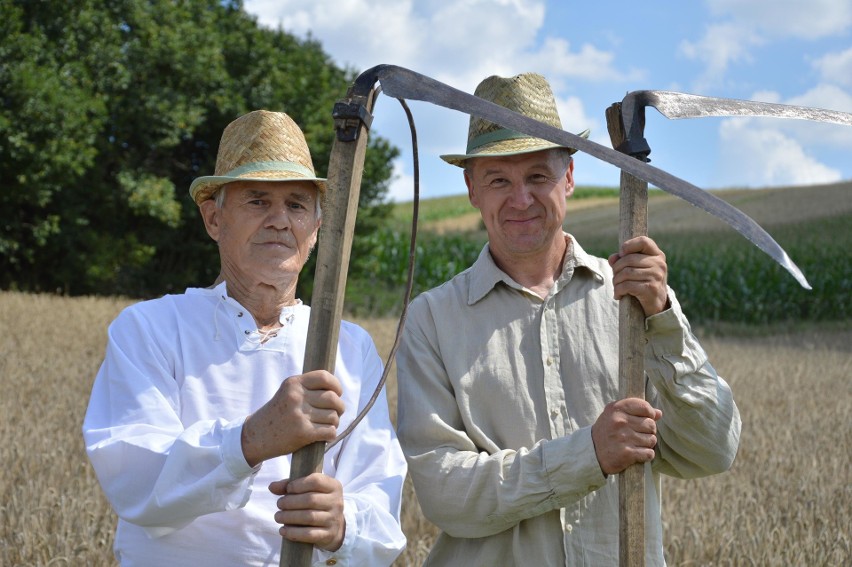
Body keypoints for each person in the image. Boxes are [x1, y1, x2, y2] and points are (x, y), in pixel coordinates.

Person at [395, 73, 741, 566]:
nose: (520, 200)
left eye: (538, 176)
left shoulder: (633, 299)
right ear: (471, 188)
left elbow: (713, 449)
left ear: (570, 177)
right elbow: (446, 494)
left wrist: (664, 317)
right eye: (499, 180)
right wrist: (588, 455)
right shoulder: (431, 319)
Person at [83, 110, 406, 566]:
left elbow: (381, 502)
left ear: (317, 228)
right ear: (214, 219)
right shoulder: (150, 328)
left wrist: (342, 523)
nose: (279, 220)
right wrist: (250, 440)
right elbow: (136, 482)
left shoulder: (349, 348)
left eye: (296, 204)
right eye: (257, 201)